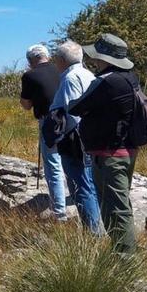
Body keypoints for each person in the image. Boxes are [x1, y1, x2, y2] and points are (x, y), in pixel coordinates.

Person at [68, 34, 142, 254]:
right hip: (126, 150)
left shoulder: (107, 81)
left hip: (109, 154)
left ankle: (125, 261)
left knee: (115, 210)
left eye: (97, 57)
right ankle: (125, 252)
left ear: (106, 58)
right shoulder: (130, 78)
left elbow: (75, 106)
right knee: (121, 204)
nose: (95, 61)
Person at [49, 40, 101, 233]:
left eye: (57, 59)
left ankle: (92, 233)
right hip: (91, 137)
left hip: (75, 141)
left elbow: (71, 114)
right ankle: (96, 229)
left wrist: (58, 135)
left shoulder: (70, 78)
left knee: (81, 187)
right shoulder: (89, 75)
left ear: (62, 60)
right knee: (90, 185)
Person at [20, 44, 65, 220]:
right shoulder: (61, 70)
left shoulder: (29, 75)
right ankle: (74, 199)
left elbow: (26, 104)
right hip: (70, 119)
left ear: (31, 61)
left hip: (49, 122)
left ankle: (59, 213)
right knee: (71, 162)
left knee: (53, 165)